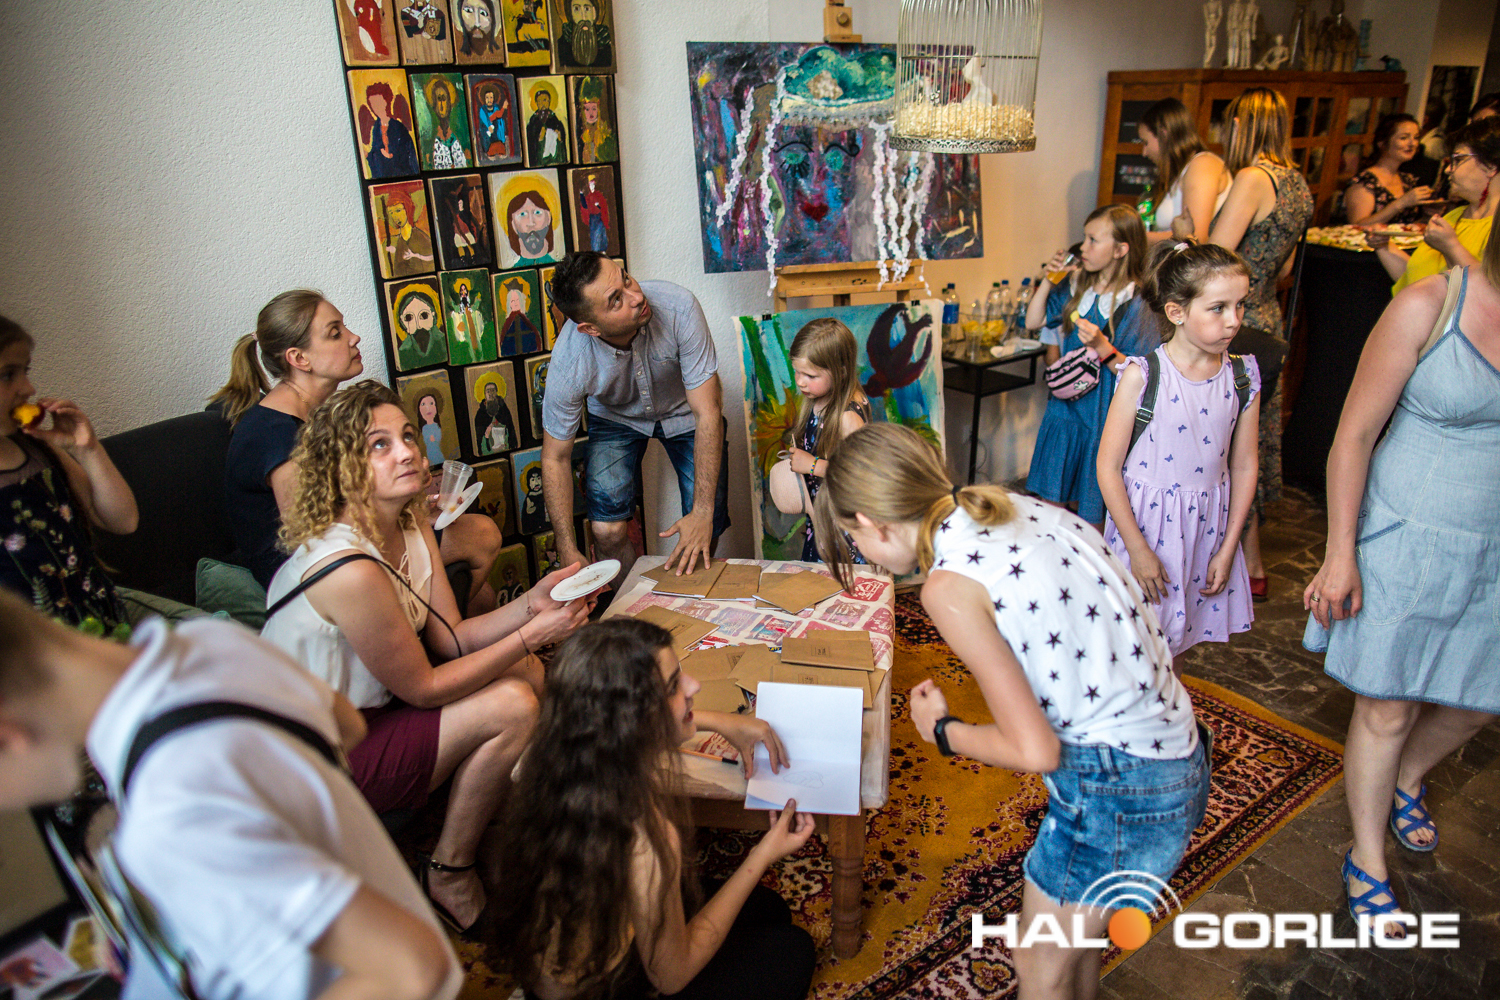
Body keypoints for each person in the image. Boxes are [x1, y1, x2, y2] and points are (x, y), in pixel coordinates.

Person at [812, 423, 1208, 1000]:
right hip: (1177, 752)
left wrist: (944, 732)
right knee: (1071, 951)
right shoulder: (1016, 505)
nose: (863, 551)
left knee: (1039, 963)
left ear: (873, 523)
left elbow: (1034, 749)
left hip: (1118, 786)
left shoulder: (947, 587)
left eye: (855, 538)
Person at [0, 590, 463, 1000]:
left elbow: (411, 970)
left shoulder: (170, 814)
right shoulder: (208, 642)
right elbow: (347, 724)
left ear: (7, 738)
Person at [260, 381, 598, 933]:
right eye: (379, 445)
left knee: (524, 673)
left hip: (377, 713)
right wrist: (531, 634)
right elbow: (423, 689)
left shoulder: (410, 521)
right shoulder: (347, 567)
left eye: (408, 436)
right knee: (513, 703)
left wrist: (532, 603)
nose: (407, 452)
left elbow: (453, 639)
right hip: (321, 760)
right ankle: (449, 871)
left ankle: (507, 833)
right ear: (342, 469)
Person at [1304, 235, 1500, 934]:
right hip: (1405, 533)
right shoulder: (1428, 304)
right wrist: (1340, 553)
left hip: (1491, 545)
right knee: (1387, 706)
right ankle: (1367, 858)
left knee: (1478, 702)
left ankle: (1407, 777)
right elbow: (1353, 436)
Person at [493, 618, 815, 1000]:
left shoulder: (559, 755)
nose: (694, 686)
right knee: (793, 950)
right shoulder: (644, 839)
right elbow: (671, 977)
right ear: (635, 717)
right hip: (610, 989)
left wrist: (721, 722)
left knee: (767, 908)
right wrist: (762, 854)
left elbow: (624, 727)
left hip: (577, 958)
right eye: (673, 685)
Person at [214, 291, 503, 614]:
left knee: (483, 597)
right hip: (312, 579)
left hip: (350, 543)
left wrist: (411, 503)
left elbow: (353, 497)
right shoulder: (276, 436)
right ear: (299, 359)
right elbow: (314, 537)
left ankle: (436, 629)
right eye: (335, 333)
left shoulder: (322, 414)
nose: (354, 337)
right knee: (482, 535)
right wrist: (406, 512)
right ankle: (421, 632)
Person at [1096, 242, 1260, 669]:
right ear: (1176, 312)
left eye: (1240, 305)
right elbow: (1108, 467)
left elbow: (1244, 464)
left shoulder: (1243, 375)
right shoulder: (1143, 375)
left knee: (1177, 644)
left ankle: (1166, 707)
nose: (1234, 320)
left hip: (1205, 531)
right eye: (1218, 308)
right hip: (1146, 530)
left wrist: (1228, 547)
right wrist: (1138, 549)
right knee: (1133, 647)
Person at [540, 252, 730, 589]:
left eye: (626, 278)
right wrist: (567, 547)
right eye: (616, 300)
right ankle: (631, 606)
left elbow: (708, 413)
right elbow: (555, 457)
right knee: (606, 531)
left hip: (687, 412)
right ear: (590, 328)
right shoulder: (570, 359)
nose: (636, 296)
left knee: (706, 520)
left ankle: (687, 603)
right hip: (615, 417)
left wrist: (703, 512)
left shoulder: (680, 307)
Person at [1207, 86, 1313, 602]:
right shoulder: (1297, 183)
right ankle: (1252, 563)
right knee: (1250, 439)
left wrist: (1186, 233)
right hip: (1267, 313)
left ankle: (1238, 561)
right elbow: (1286, 266)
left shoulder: (1253, 178)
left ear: (1240, 126)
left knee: (1226, 441)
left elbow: (1214, 257)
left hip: (1233, 320)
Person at [1025, 203, 1159, 528]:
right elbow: (1033, 321)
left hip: (1101, 415)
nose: (1083, 248)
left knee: (1091, 512)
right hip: (1064, 410)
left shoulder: (1137, 301)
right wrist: (1049, 281)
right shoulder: (1075, 286)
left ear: (1120, 250)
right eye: (1084, 238)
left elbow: (1141, 372)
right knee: (1051, 503)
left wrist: (1103, 347)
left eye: (1092, 240)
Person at [0, 317, 136, 632]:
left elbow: (123, 520)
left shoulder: (37, 450)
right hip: (35, 646)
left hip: (99, 619)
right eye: (8, 375)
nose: (29, 388)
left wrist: (87, 449)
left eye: (25, 371)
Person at [1372, 118, 1500, 294]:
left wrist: (1451, 247)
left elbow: (1489, 295)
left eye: (1458, 159)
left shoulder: (1495, 226)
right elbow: (1416, 279)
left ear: (1491, 166)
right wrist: (1384, 247)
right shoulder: (1454, 216)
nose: (1448, 169)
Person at [782, 317, 869, 563]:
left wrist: (812, 465)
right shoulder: (821, 399)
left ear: (840, 371)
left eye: (810, 375)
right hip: (823, 519)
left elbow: (860, 475)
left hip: (844, 530)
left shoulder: (848, 417)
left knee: (836, 584)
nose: (800, 381)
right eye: (797, 371)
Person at [1136, 97, 1231, 243]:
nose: (1144, 152)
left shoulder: (1203, 164)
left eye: (1146, 142)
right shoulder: (1181, 172)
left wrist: (1133, 238)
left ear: (1164, 135)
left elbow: (1196, 237)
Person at [1339, 114, 1433, 226]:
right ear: (1382, 143)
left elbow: (1404, 226)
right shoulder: (1364, 182)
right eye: (1403, 138)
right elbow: (1358, 226)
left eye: (1416, 138)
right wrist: (1401, 203)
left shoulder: (1407, 180)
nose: (1412, 143)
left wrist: (1428, 216)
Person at [360, 82, 420, 179]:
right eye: (373, 103)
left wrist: (389, 156)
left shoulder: (398, 127)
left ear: (386, 101)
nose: (376, 107)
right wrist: (368, 155)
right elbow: (376, 155)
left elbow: (407, 157)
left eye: (379, 102)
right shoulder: (376, 128)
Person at [525, 86, 568, 167]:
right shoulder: (533, 122)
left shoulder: (556, 122)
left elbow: (562, 147)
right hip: (539, 162)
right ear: (536, 103)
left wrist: (559, 139)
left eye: (544, 100)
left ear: (549, 101)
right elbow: (530, 146)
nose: (542, 103)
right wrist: (540, 139)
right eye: (539, 101)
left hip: (554, 160)